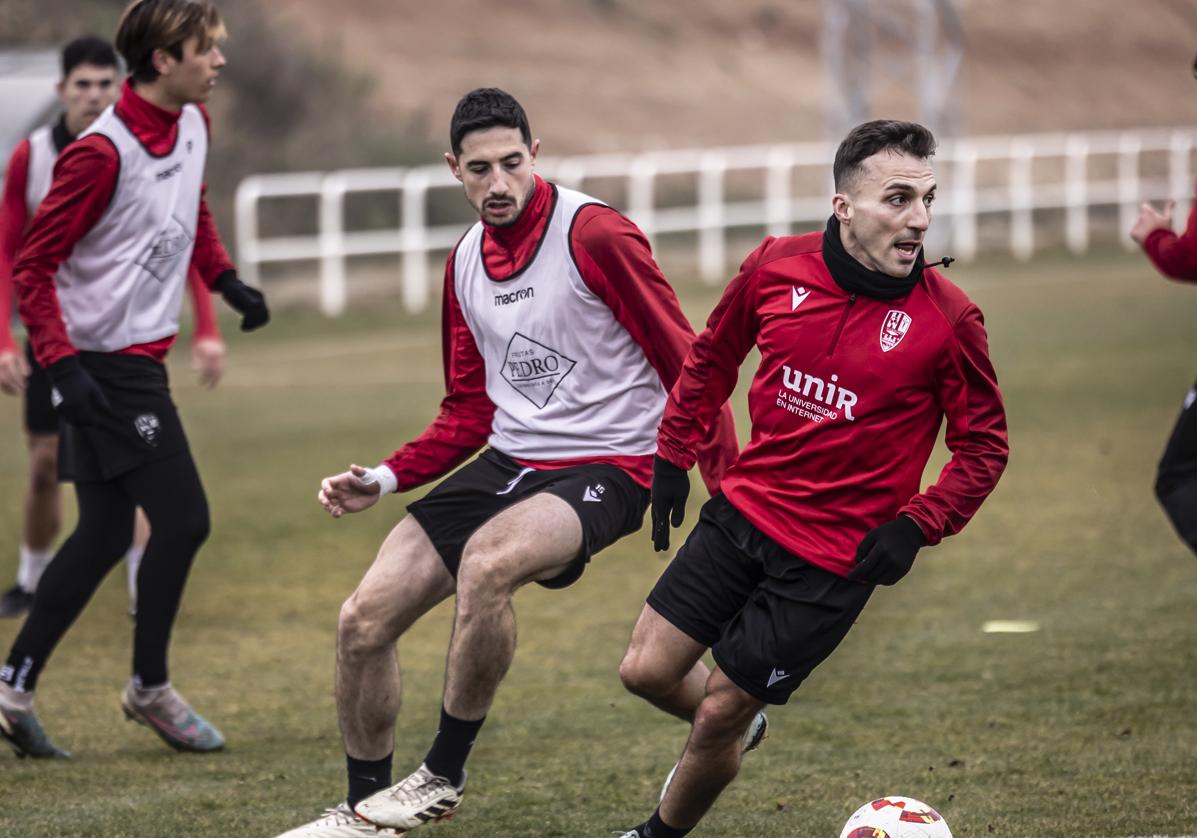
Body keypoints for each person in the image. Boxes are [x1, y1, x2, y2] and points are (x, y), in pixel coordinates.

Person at [279, 87, 737, 837]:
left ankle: (440, 776)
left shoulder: (595, 235)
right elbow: (468, 410)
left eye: (512, 163)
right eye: (480, 169)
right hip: (509, 461)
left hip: (612, 465)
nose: (498, 184)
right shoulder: (462, 263)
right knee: (361, 620)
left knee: (487, 564)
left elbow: (690, 363)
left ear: (536, 155)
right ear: (453, 169)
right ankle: (365, 812)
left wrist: (724, 491)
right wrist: (386, 476)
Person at [615, 120, 1009, 838]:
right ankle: (740, 719)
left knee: (715, 714)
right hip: (744, 511)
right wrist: (671, 455)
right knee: (643, 670)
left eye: (927, 199)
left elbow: (982, 447)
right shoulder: (775, 267)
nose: (918, 219)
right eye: (898, 199)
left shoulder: (949, 320)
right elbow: (711, 359)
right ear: (843, 207)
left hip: (831, 562)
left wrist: (915, 526)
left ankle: (656, 831)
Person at [0, 0, 268, 760]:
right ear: (161, 60)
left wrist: (225, 281)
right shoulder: (99, 152)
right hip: (104, 370)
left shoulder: (192, 124)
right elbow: (33, 267)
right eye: (204, 48)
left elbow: (192, 208)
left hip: (128, 364)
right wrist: (63, 368)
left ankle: (12, 688)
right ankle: (149, 687)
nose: (217, 60)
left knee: (107, 532)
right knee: (183, 521)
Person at [0, 36, 226, 620]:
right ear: (62, 92)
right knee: (52, 467)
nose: (95, 95)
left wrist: (208, 323)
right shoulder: (38, 157)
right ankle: (30, 580)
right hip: (57, 343)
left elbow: (182, 230)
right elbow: (14, 254)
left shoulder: (153, 143)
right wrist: (6, 339)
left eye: (105, 83)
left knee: (135, 477)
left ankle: (137, 591)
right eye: (83, 85)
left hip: (121, 351)